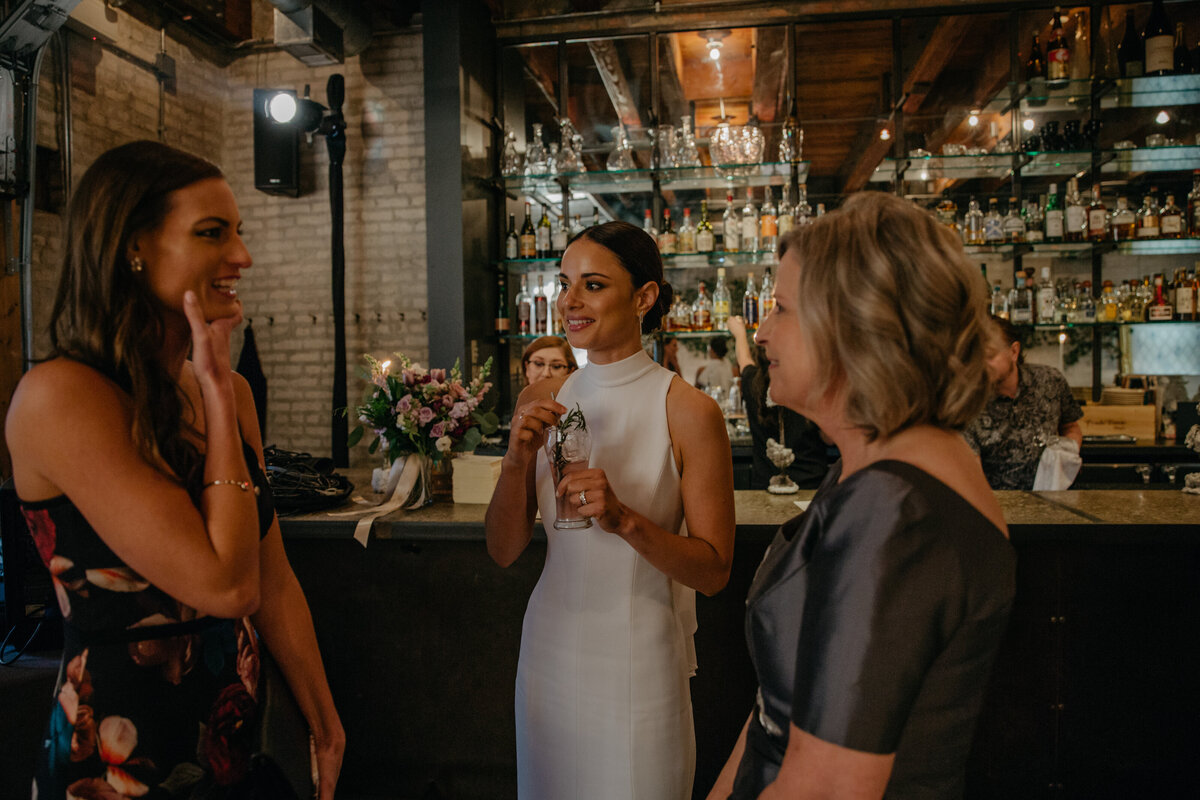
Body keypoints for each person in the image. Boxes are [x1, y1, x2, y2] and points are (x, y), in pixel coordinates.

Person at [6, 141, 344, 800]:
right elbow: (225, 586)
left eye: (238, 233)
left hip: (228, 750)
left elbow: (270, 579)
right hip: (118, 763)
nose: (242, 256)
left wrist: (324, 722)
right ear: (134, 246)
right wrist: (216, 395)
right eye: (212, 234)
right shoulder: (62, 395)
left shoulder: (228, 394)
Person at [708, 193, 1015, 799]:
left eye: (782, 309)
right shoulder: (877, 466)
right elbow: (779, 710)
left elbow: (823, 787)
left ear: (855, 328)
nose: (762, 332)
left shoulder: (893, 511)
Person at [486, 221, 736, 799]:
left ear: (645, 297)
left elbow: (714, 570)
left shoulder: (689, 410)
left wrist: (624, 520)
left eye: (592, 285)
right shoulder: (539, 398)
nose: (569, 301)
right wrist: (515, 464)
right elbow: (504, 551)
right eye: (564, 283)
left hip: (636, 653)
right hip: (549, 645)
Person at [964, 315, 1084, 490]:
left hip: (1053, 504)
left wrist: (1064, 459)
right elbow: (973, 477)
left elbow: (1071, 427)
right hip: (1000, 508)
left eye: (989, 355)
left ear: (1014, 351)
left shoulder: (1050, 381)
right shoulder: (968, 402)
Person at [727, 314, 831, 489]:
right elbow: (830, 439)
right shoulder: (815, 385)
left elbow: (743, 358)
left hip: (765, 489)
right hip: (810, 487)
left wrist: (739, 333)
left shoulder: (752, 382)